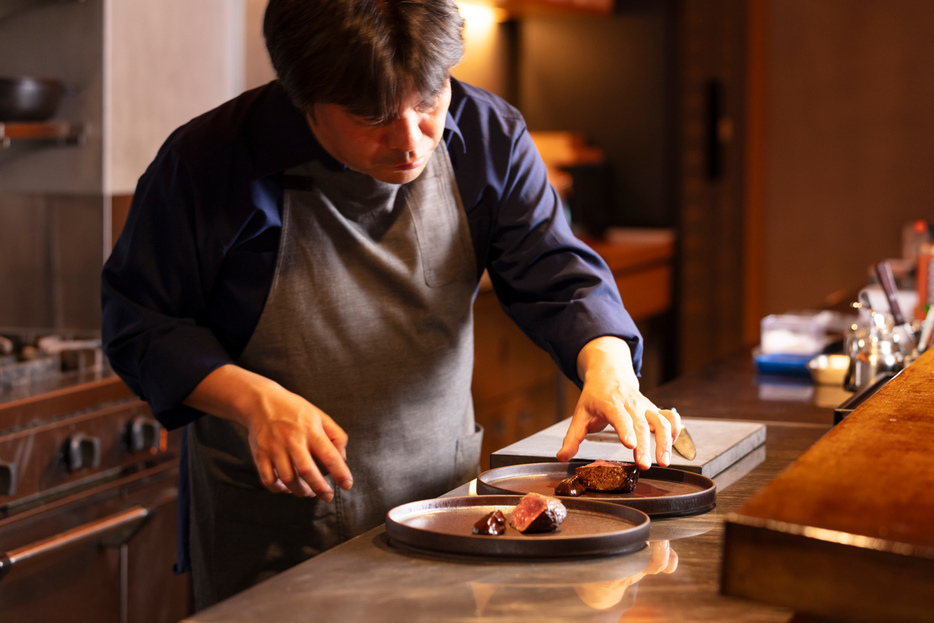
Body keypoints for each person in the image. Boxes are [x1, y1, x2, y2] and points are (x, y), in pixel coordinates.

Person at [101, 0, 681, 610]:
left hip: (445, 511)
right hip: (279, 528)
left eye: (429, 102)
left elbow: (557, 272)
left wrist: (607, 364)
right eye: (371, 116)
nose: (410, 140)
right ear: (304, 98)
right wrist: (254, 401)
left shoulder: (488, 136)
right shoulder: (209, 160)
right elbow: (140, 321)